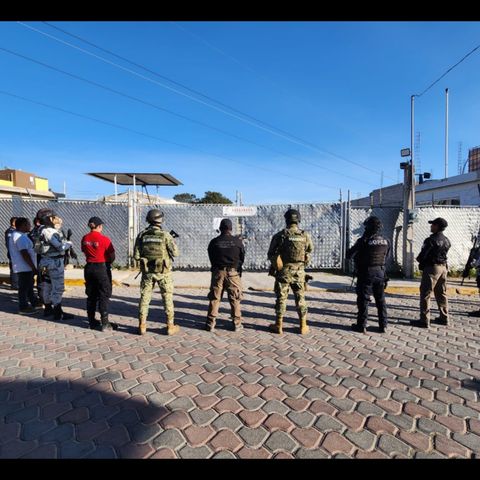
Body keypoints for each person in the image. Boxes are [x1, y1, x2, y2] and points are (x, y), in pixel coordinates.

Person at [267, 208, 313, 335]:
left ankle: (279, 325)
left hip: (284, 272)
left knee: (281, 298)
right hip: (299, 272)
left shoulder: (280, 235)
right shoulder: (304, 235)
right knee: (301, 298)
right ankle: (303, 326)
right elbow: (309, 251)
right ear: (298, 220)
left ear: (287, 220)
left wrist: (277, 265)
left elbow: (271, 253)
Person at [134, 209, 180, 335]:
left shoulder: (142, 235)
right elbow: (175, 253)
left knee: (145, 297)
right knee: (167, 297)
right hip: (163, 272)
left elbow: (136, 256)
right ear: (160, 220)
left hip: (148, 273)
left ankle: (142, 325)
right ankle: (170, 325)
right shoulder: (166, 235)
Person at [346, 216, 390, 333]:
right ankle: (383, 325)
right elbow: (386, 257)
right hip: (381, 273)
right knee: (381, 300)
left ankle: (362, 325)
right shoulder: (386, 240)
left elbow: (349, 255)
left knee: (363, 300)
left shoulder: (363, 241)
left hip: (366, 273)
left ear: (369, 227)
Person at [206, 218, 245, 332]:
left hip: (218, 272)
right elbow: (242, 258)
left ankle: (210, 323)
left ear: (220, 228)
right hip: (233, 273)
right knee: (235, 298)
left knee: (215, 297)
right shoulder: (238, 242)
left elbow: (211, 257)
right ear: (231, 229)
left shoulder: (214, 242)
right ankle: (237, 323)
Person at [413, 217, 451, 328]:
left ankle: (424, 320)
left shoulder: (430, 240)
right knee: (441, 293)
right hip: (443, 268)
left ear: (437, 226)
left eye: (433, 224)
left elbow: (422, 255)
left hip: (432, 268)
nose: (431, 226)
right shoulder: (447, 240)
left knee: (426, 293)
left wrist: (420, 261)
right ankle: (444, 318)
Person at [36, 210, 74, 320]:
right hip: (54, 262)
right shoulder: (50, 232)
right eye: (53, 217)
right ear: (49, 219)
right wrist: (69, 244)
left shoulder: (40, 229)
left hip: (45, 261)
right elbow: (60, 247)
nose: (56, 218)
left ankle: (48, 309)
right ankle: (58, 312)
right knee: (57, 287)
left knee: (47, 285)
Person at [81, 217, 117, 331]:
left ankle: (91, 321)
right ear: (99, 226)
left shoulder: (85, 238)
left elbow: (84, 251)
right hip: (101, 268)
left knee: (91, 295)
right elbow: (112, 255)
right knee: (103, 295)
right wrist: (109, 262)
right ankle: (105, 323)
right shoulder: (104, 239)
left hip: (89, 268)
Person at [10, 217, 41, 314]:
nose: (30, 226)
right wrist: (33, 267)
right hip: (24, 267)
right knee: (24, 288)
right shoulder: (20, 237)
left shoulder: (20, 235)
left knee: (29, 286)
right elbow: (24, 253)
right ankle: (23, 307)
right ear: (23, 225)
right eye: (28, 224)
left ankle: (34, 302)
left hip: (25, 266)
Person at [5, 216, 19, 290]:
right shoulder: (10, 231)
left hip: (16, 254)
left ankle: (17, 284)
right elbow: (9, 244)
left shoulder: (16, 231)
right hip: (13, 254)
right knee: (14, 269)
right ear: (13, 223)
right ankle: (14, 285)